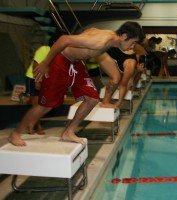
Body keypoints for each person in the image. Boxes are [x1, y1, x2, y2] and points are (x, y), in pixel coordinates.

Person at [8, 21, 145, 146]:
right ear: (124, 36)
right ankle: (15, 133)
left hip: (75, 63)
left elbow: (90, 31)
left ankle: (68, 132)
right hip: (61, 62)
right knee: (45, 106)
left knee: (92, 98)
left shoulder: (109, 38)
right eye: (132, 43)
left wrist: (115, 77)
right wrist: (45, 63)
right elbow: (64, 39)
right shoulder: (100, 41)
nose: (132, 47)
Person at [24, 45, 50, 135]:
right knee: (37, 105)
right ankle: (37, 126)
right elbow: (36, 65)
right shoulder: (45, 49)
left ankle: (33, 124)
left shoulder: (58, 54)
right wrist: (37, 81)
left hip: (43, 79)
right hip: (33, 78)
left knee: (42, 105)